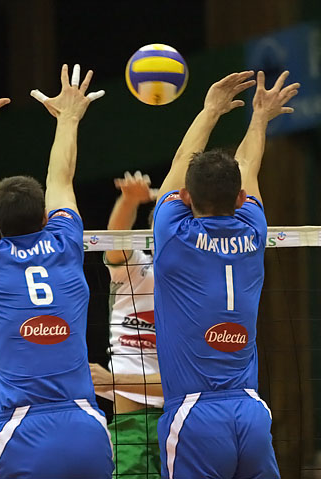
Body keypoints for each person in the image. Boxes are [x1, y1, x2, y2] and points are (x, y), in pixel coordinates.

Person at [0, 61, 113, 479]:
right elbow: (62, 179)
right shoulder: (65, 243)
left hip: (23, 430)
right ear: (46, 218)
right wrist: (69, 118)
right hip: (88, 424)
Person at [153, 70, 300, 478]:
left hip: (194, 414)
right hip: (251, 411)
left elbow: (181, 163)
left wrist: (210, 111)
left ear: (185, 197)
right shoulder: (253, 229)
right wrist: (261, 118)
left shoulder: (174, 233)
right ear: (241, 198)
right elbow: (247, 164)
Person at [90, 170, 163, 479]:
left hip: (182, 416)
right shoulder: (135, 269)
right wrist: (130, 200)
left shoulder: (199, 281)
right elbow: (116, 237)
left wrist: (112, 380)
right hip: (132, 422)